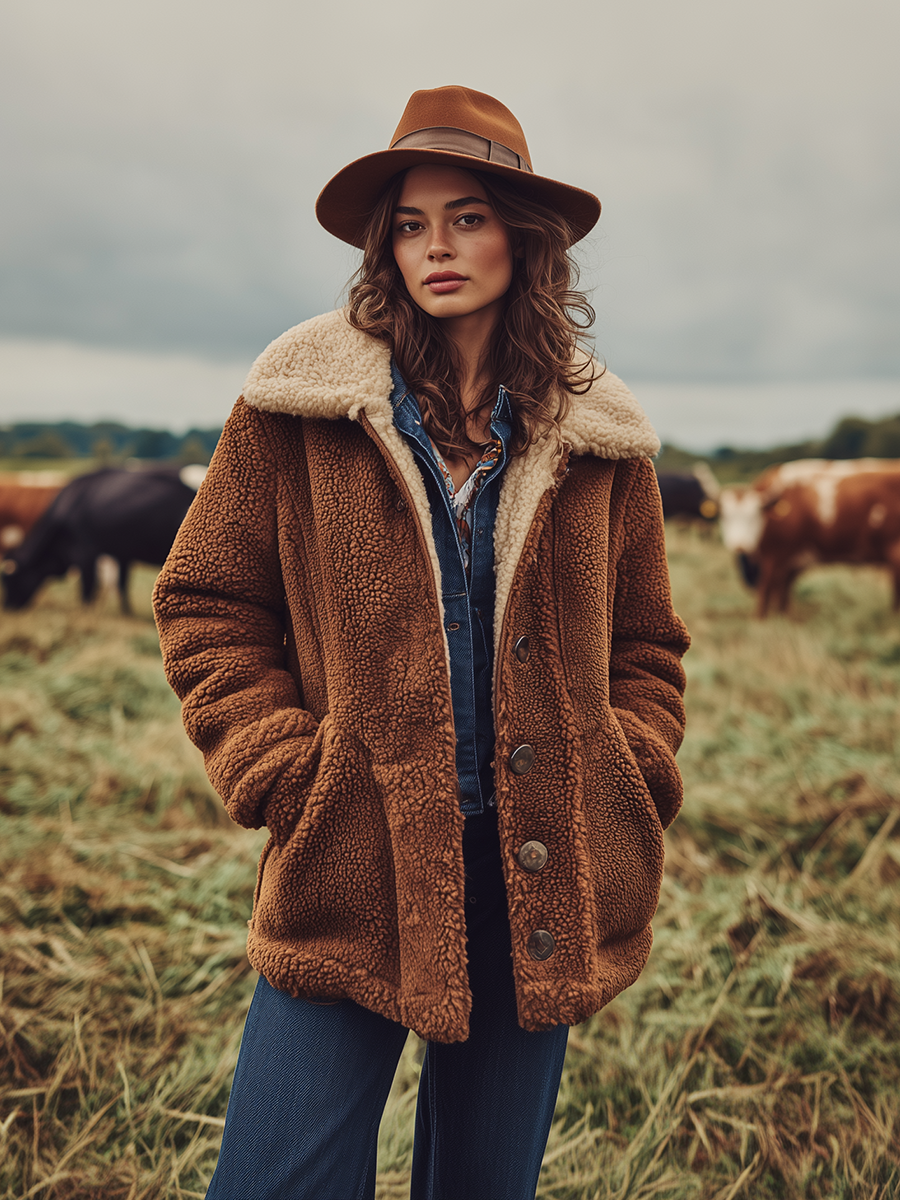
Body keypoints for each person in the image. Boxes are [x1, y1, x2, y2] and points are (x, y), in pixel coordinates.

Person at [153, 85, 690, 1200]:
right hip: (351, 852)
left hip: (540, 872)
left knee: (486, 1187)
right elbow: (205, 599)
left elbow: (646, 640)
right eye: (409, 222)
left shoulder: (601, 436)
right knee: (273, 1182)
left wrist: (628, 759)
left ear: (523, 238)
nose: (434, 247)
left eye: (467, 216)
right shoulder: (298, 405)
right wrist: (282, 769)